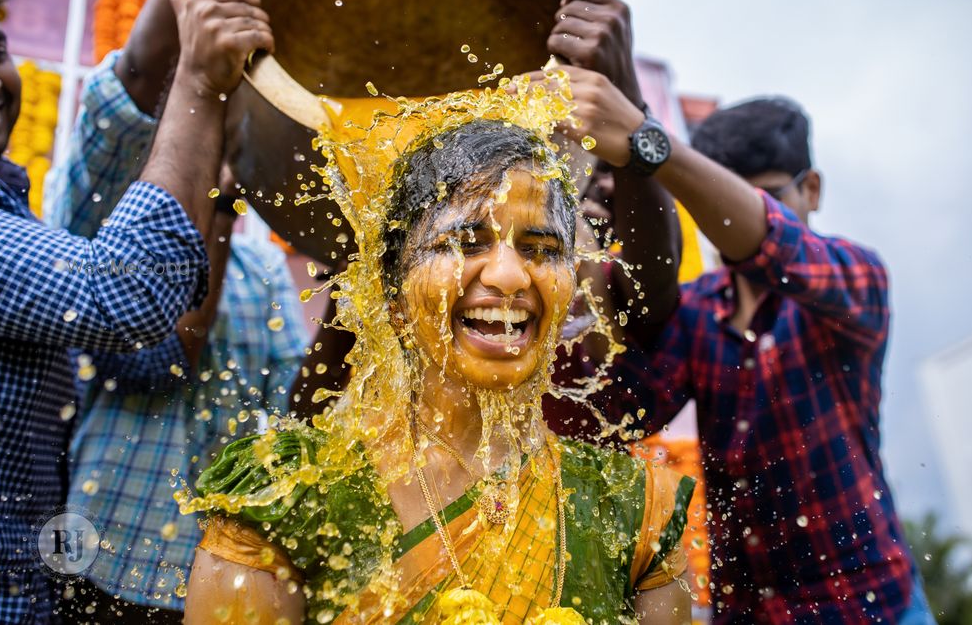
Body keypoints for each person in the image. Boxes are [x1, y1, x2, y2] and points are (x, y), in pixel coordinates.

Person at [181, 118, 695, 624]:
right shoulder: (285, 492)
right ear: (393, 297)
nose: (511, 276)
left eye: (542, 250)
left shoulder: (631, 507)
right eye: (464, 243)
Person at [529, 0, 932, 621]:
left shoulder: (856, 284)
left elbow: (773, 243)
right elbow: (605, 418)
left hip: (872, 607)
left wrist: (644, 134)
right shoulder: (696, 315)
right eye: (715, 195)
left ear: (814, 189)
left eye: (763, 194)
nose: (724, 215)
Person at [0, 0, 274, 622]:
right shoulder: (62, 218)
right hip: (89, 574)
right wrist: (201, 83)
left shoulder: (13, 207)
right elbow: (136, 300)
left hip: (83, 584)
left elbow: (155, 353)